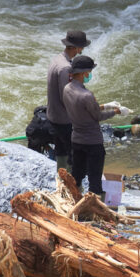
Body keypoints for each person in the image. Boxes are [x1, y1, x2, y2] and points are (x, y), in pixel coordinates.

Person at [62, 55, 130, 199]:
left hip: (76, 139)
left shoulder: (67, 89)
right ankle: (96, 206)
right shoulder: (86, 95)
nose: (90, 74)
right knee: (94, 178)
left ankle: (73, 198)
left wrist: (105, 105)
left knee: (77, 173)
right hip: (92, 142)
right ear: (84, 73)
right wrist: (116, 111)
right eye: (89, 71)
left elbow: (84, 109)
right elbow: (98, 116)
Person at [47, 30, 90, 171]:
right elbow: (66, 97)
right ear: (76, 48)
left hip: (53, 115)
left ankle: (61, 179)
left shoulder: (57, 59)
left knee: (61, 151)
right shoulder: (66, 68)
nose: (82, 50)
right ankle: (72, 185)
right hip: (64, 119)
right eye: (81, 47)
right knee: (73, 155)